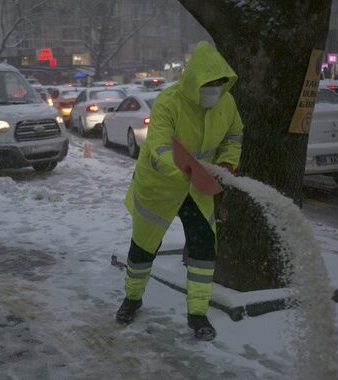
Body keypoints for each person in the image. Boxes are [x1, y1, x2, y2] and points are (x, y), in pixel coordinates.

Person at [116, 41, 244, 341]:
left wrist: (227, 161)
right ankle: (132, 299)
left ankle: (198, 313)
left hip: (198, 189)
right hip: (159, 185)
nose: (214, 90)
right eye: (208, 84)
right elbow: (159, 146)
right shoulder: (169, 102)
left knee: (203, 249)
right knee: (144, 246)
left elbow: (235, 134)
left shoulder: (226, 104)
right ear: (194, 81)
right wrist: (187, 171)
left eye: (219, 84)